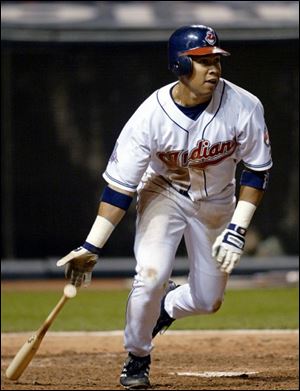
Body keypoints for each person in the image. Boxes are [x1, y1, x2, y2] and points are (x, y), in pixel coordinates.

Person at [56, 25, 272, 389]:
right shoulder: (149, 118)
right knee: (151, 274)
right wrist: (92, 245)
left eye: (216, 59)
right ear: (179, 65)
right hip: (164, 194)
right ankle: (138, 356)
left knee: (208, 301)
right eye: (201, 61)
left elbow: (257, 171)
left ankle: (168, 306)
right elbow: (119, 189)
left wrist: (238, 228)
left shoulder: (244, 106)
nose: (214, 68)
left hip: (218, 202)